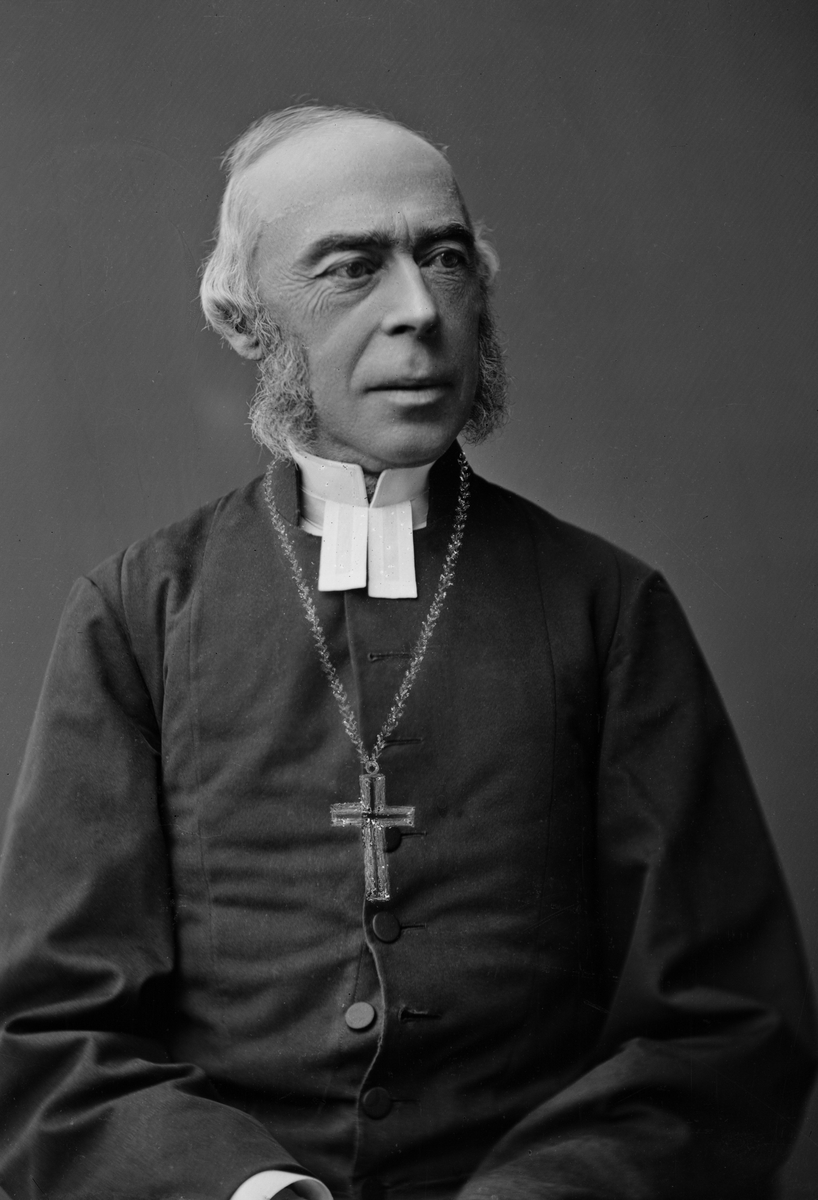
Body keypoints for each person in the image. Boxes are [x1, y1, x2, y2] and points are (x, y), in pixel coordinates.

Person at [0, 104, 813, 1200]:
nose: (420, 311)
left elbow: (727, 1023)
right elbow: (47, 1036)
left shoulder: (608, 608)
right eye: (351, 269)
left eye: (445, 257)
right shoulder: (137, 613)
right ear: (244, 320)